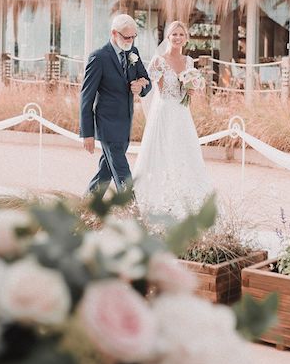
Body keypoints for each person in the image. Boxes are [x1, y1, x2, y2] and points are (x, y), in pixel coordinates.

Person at [133, 20, 213, 217]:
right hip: (164, 112)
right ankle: (157, 201)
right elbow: (148, 85)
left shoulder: (189, 62)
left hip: (182, 113)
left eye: (181, 34)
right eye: (174, 34)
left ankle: (184, 200)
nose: (177, 38)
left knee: (185, 152)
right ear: (168, 37)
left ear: (186, 38)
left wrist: (191, 89)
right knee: (163, 152)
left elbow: (189, 90)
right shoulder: (159, 60)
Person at [80, 14, 151, 197]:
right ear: (114, 33)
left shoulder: (132, 51)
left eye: (134, 36)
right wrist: (87, 133)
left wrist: (140, 85)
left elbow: (146, 80)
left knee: (105, 171)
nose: (131, 40)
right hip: (106, 124)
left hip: (125, 122)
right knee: (122, 172)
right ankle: (134, 215)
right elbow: (86, 98)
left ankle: (86, 207)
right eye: (127, 37)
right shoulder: (98, 57)